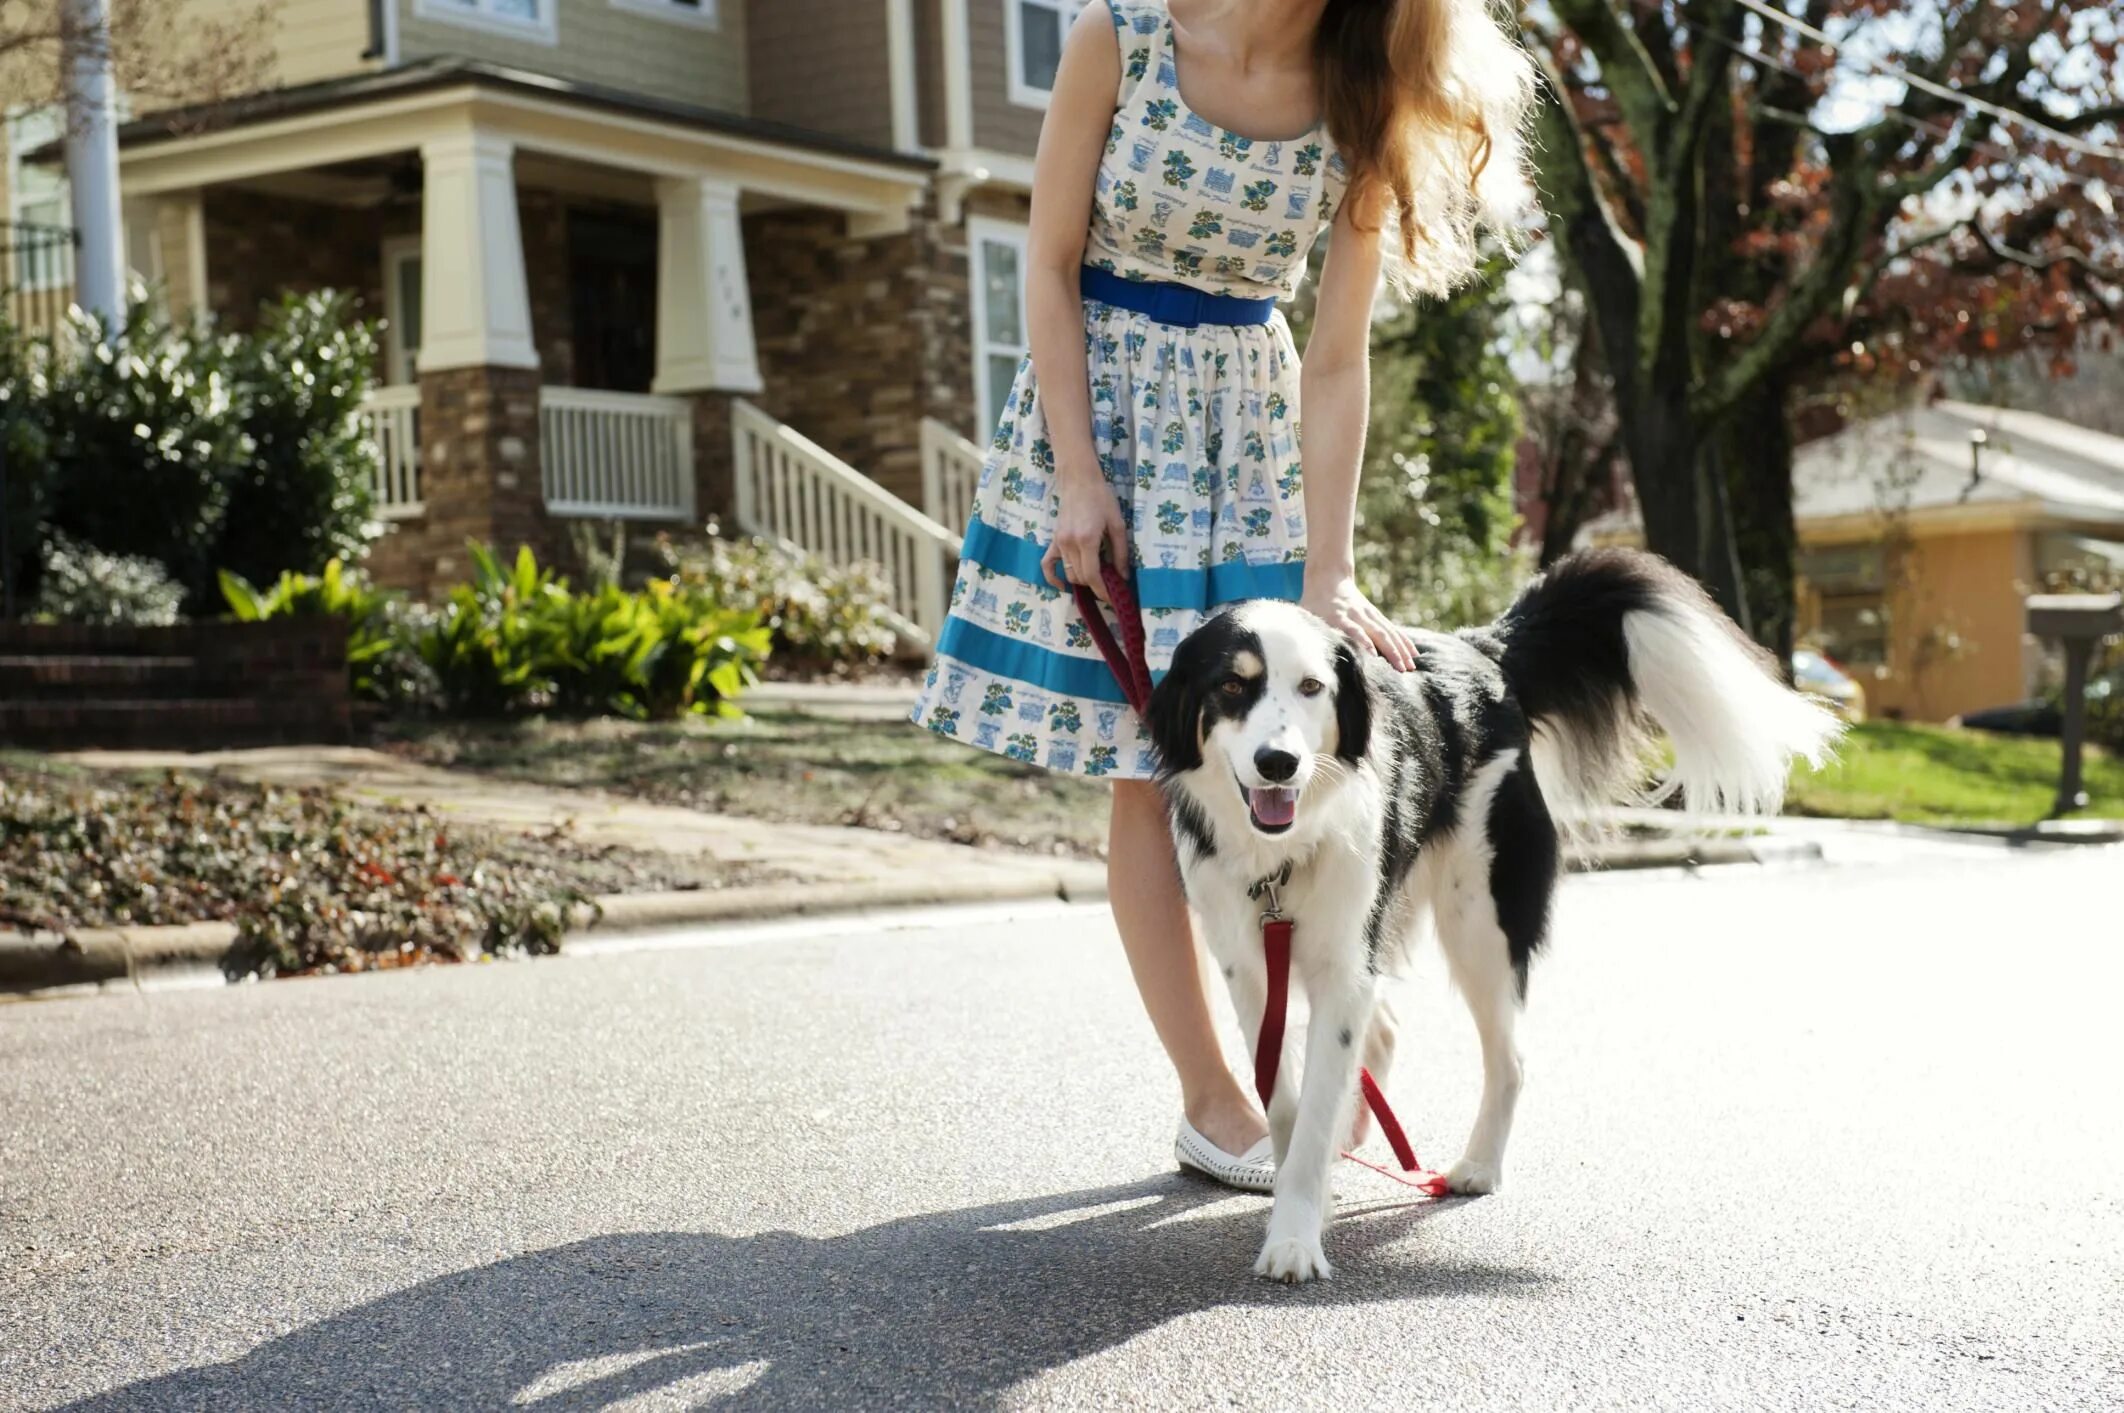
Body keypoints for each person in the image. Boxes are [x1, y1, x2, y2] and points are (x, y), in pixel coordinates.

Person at [911, 0, 1534, 1189]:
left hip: (1247, 443)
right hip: (1102, 424)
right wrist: (1079, 480)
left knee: (1286, 778)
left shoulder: (1365, 92)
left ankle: (1342, 1042)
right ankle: (1213, 1099)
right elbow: (1045, 263)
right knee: (1151, 776)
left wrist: (1329, 571)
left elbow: (1339, 355)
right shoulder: (1124, 38)